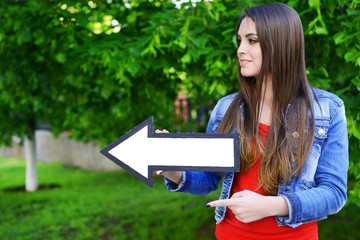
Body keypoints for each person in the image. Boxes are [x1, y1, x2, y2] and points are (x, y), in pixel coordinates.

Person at [156, 3, 349, 240]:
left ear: (281, 44)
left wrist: (270, 206)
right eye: (239, 40)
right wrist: (173, 172)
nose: (240, 50)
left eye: (252, 40)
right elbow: (209, 177)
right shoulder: (226, 109)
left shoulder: (327, 110)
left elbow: (334, 193)